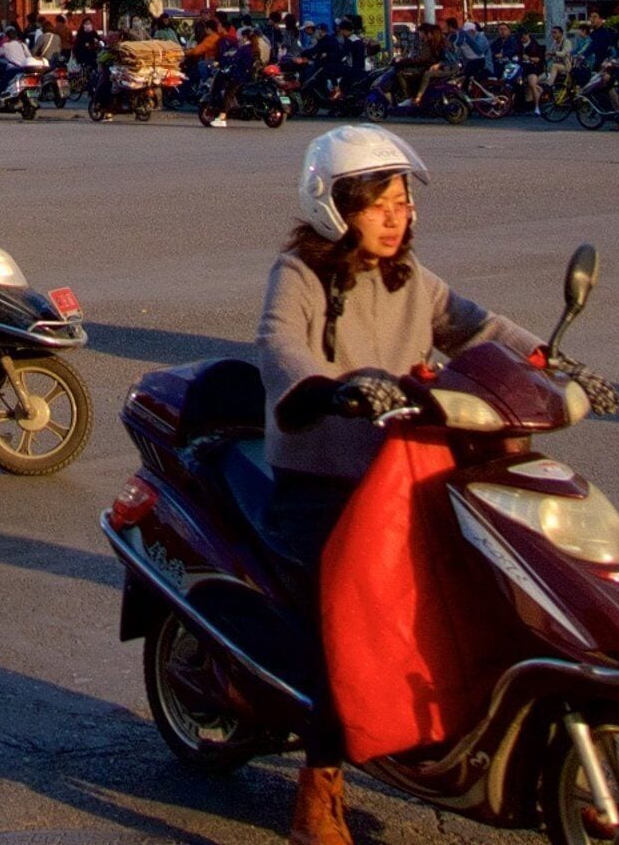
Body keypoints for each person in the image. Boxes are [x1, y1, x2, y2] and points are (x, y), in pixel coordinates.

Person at [254, 126, 530, 845]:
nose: (394, 217)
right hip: (322, 481)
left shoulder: (412, 279)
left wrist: (549, 363)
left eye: (402, 203)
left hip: (404, 471)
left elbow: (478, 328)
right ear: (335, 206)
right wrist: (331, 387)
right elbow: (280, 341)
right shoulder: (301, 273)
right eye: (378, 204)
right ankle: (318, 785)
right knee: (343, 626)